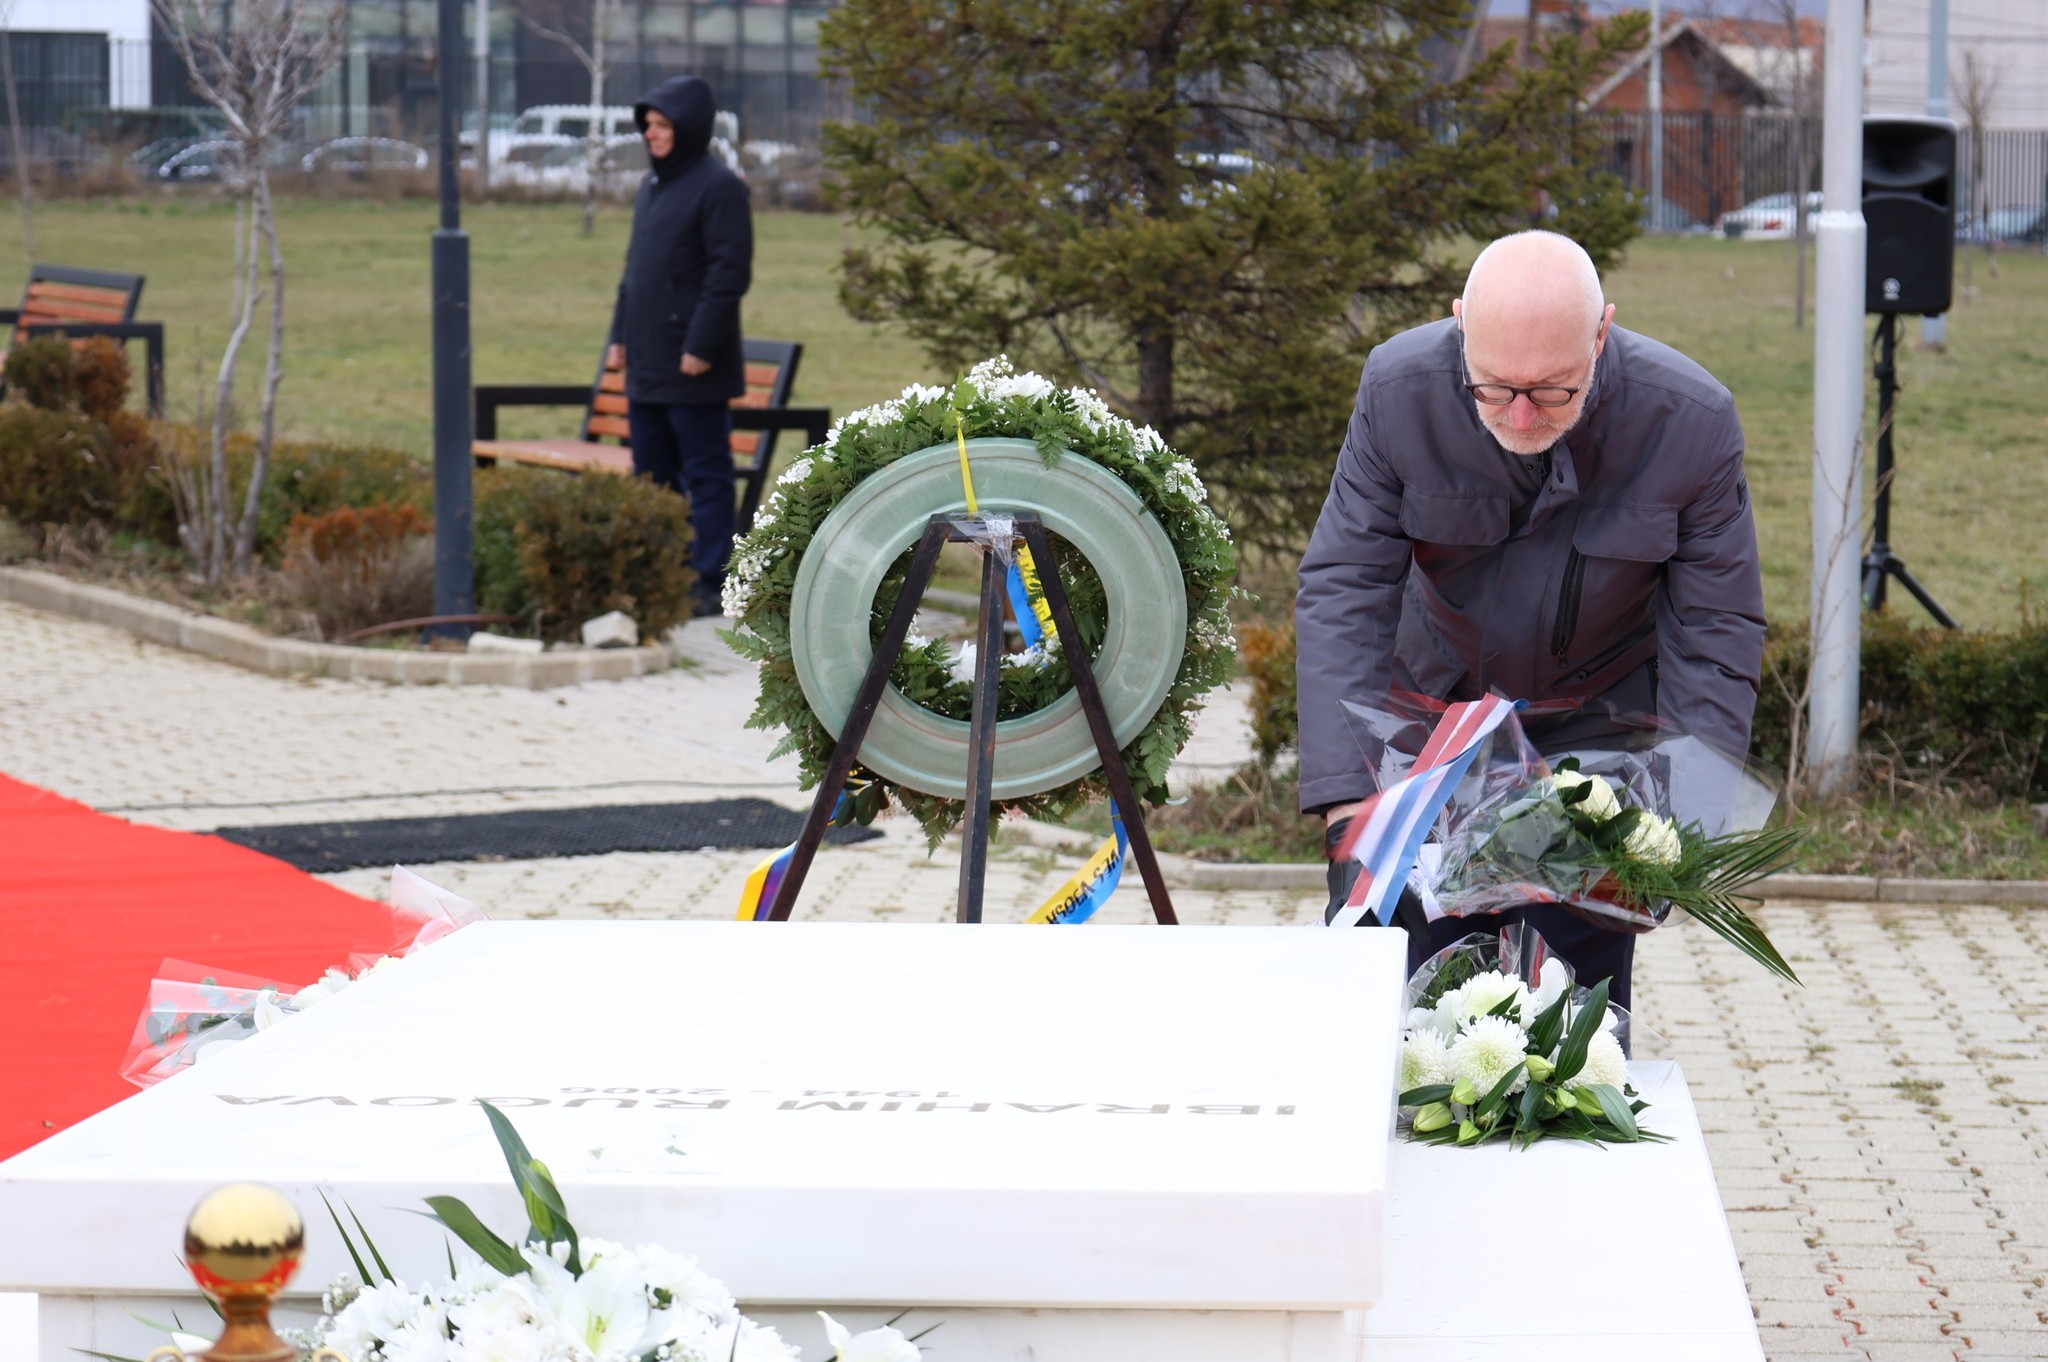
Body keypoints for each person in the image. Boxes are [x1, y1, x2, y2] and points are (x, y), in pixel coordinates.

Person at [1295, 230, 1766, 1008]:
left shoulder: (1691, 421)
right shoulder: (1398, 391)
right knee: (1410, 1002)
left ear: (1601, 334)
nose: (1518, 416)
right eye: (1493, 387)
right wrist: (1351, 808)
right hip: (1432, 731)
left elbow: (1716, 631)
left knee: (1570, 1021)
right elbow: (1347, 585)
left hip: (1599, 743)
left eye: (1552, 391)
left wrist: (1680, 830)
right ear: (1459, 326)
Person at [607, 75, 754, 618]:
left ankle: (710, 581)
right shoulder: (652, 186)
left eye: (662, 124)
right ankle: (663, 575)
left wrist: (700, 346)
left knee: (706, 474)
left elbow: (728, 274)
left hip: (694, 365)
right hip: (646, 360)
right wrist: (619, 337)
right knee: (652, 476)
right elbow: (635, 273)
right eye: (648, 124)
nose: (651, 133)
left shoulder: (720, 187)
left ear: (688, 128)